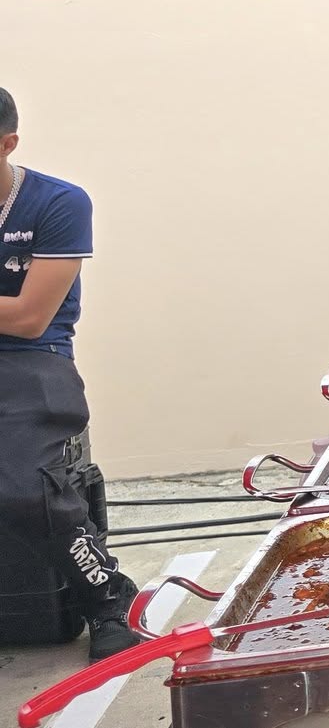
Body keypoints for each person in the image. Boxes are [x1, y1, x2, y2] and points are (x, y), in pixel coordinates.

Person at [0, 87, 143, 661]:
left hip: (31, 357)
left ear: (7, 143)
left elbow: (29, 318)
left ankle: (107, 596)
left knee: (26, 487)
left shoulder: (57, 202)